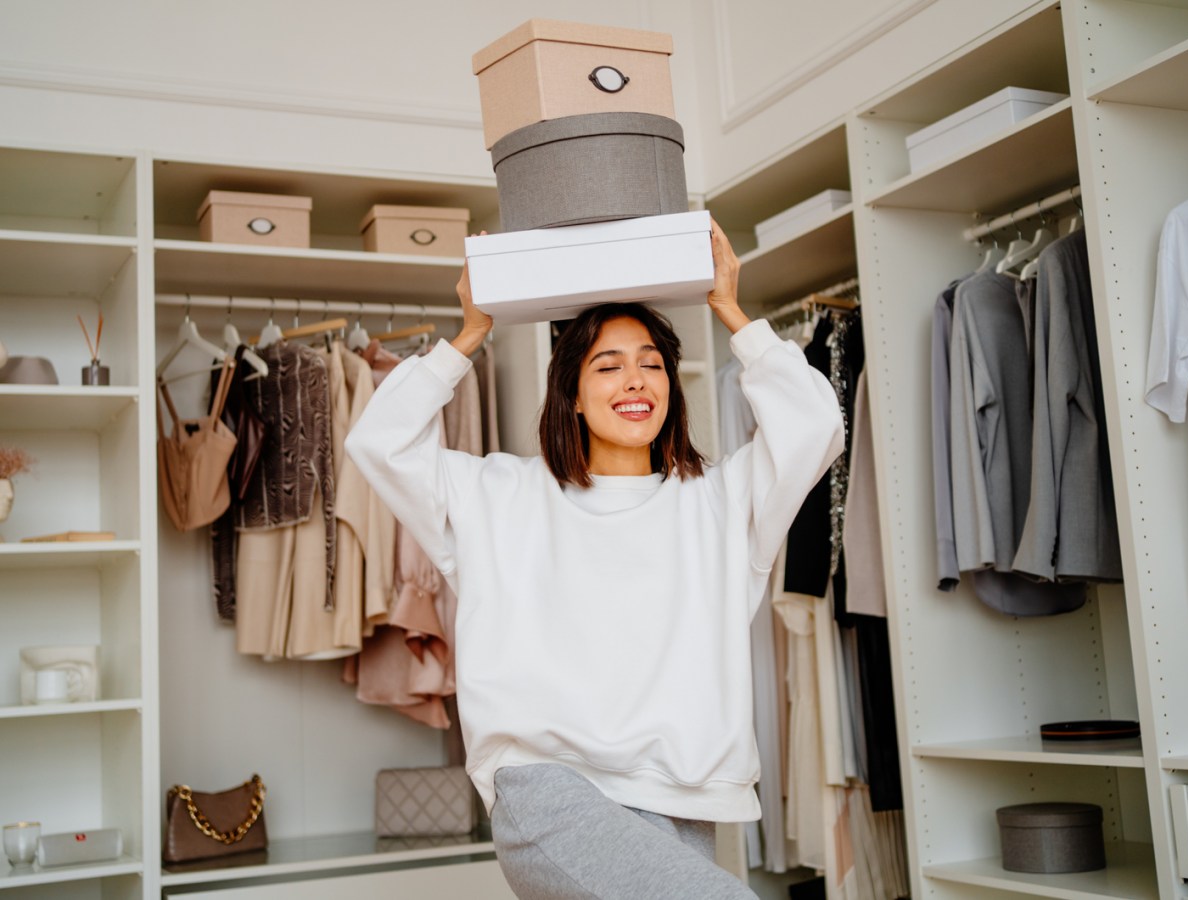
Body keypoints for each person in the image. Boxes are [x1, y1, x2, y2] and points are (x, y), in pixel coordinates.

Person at [345, 220, 844, 899]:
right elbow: (380, 442)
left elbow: (814, 426)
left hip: (682, 797)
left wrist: (731, 310)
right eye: (607, 366)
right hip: (547, 789)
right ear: (573, 396)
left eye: (652, 363)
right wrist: (468, 334)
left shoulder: (723, 500)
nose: (635, 380)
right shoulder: (500, 495)